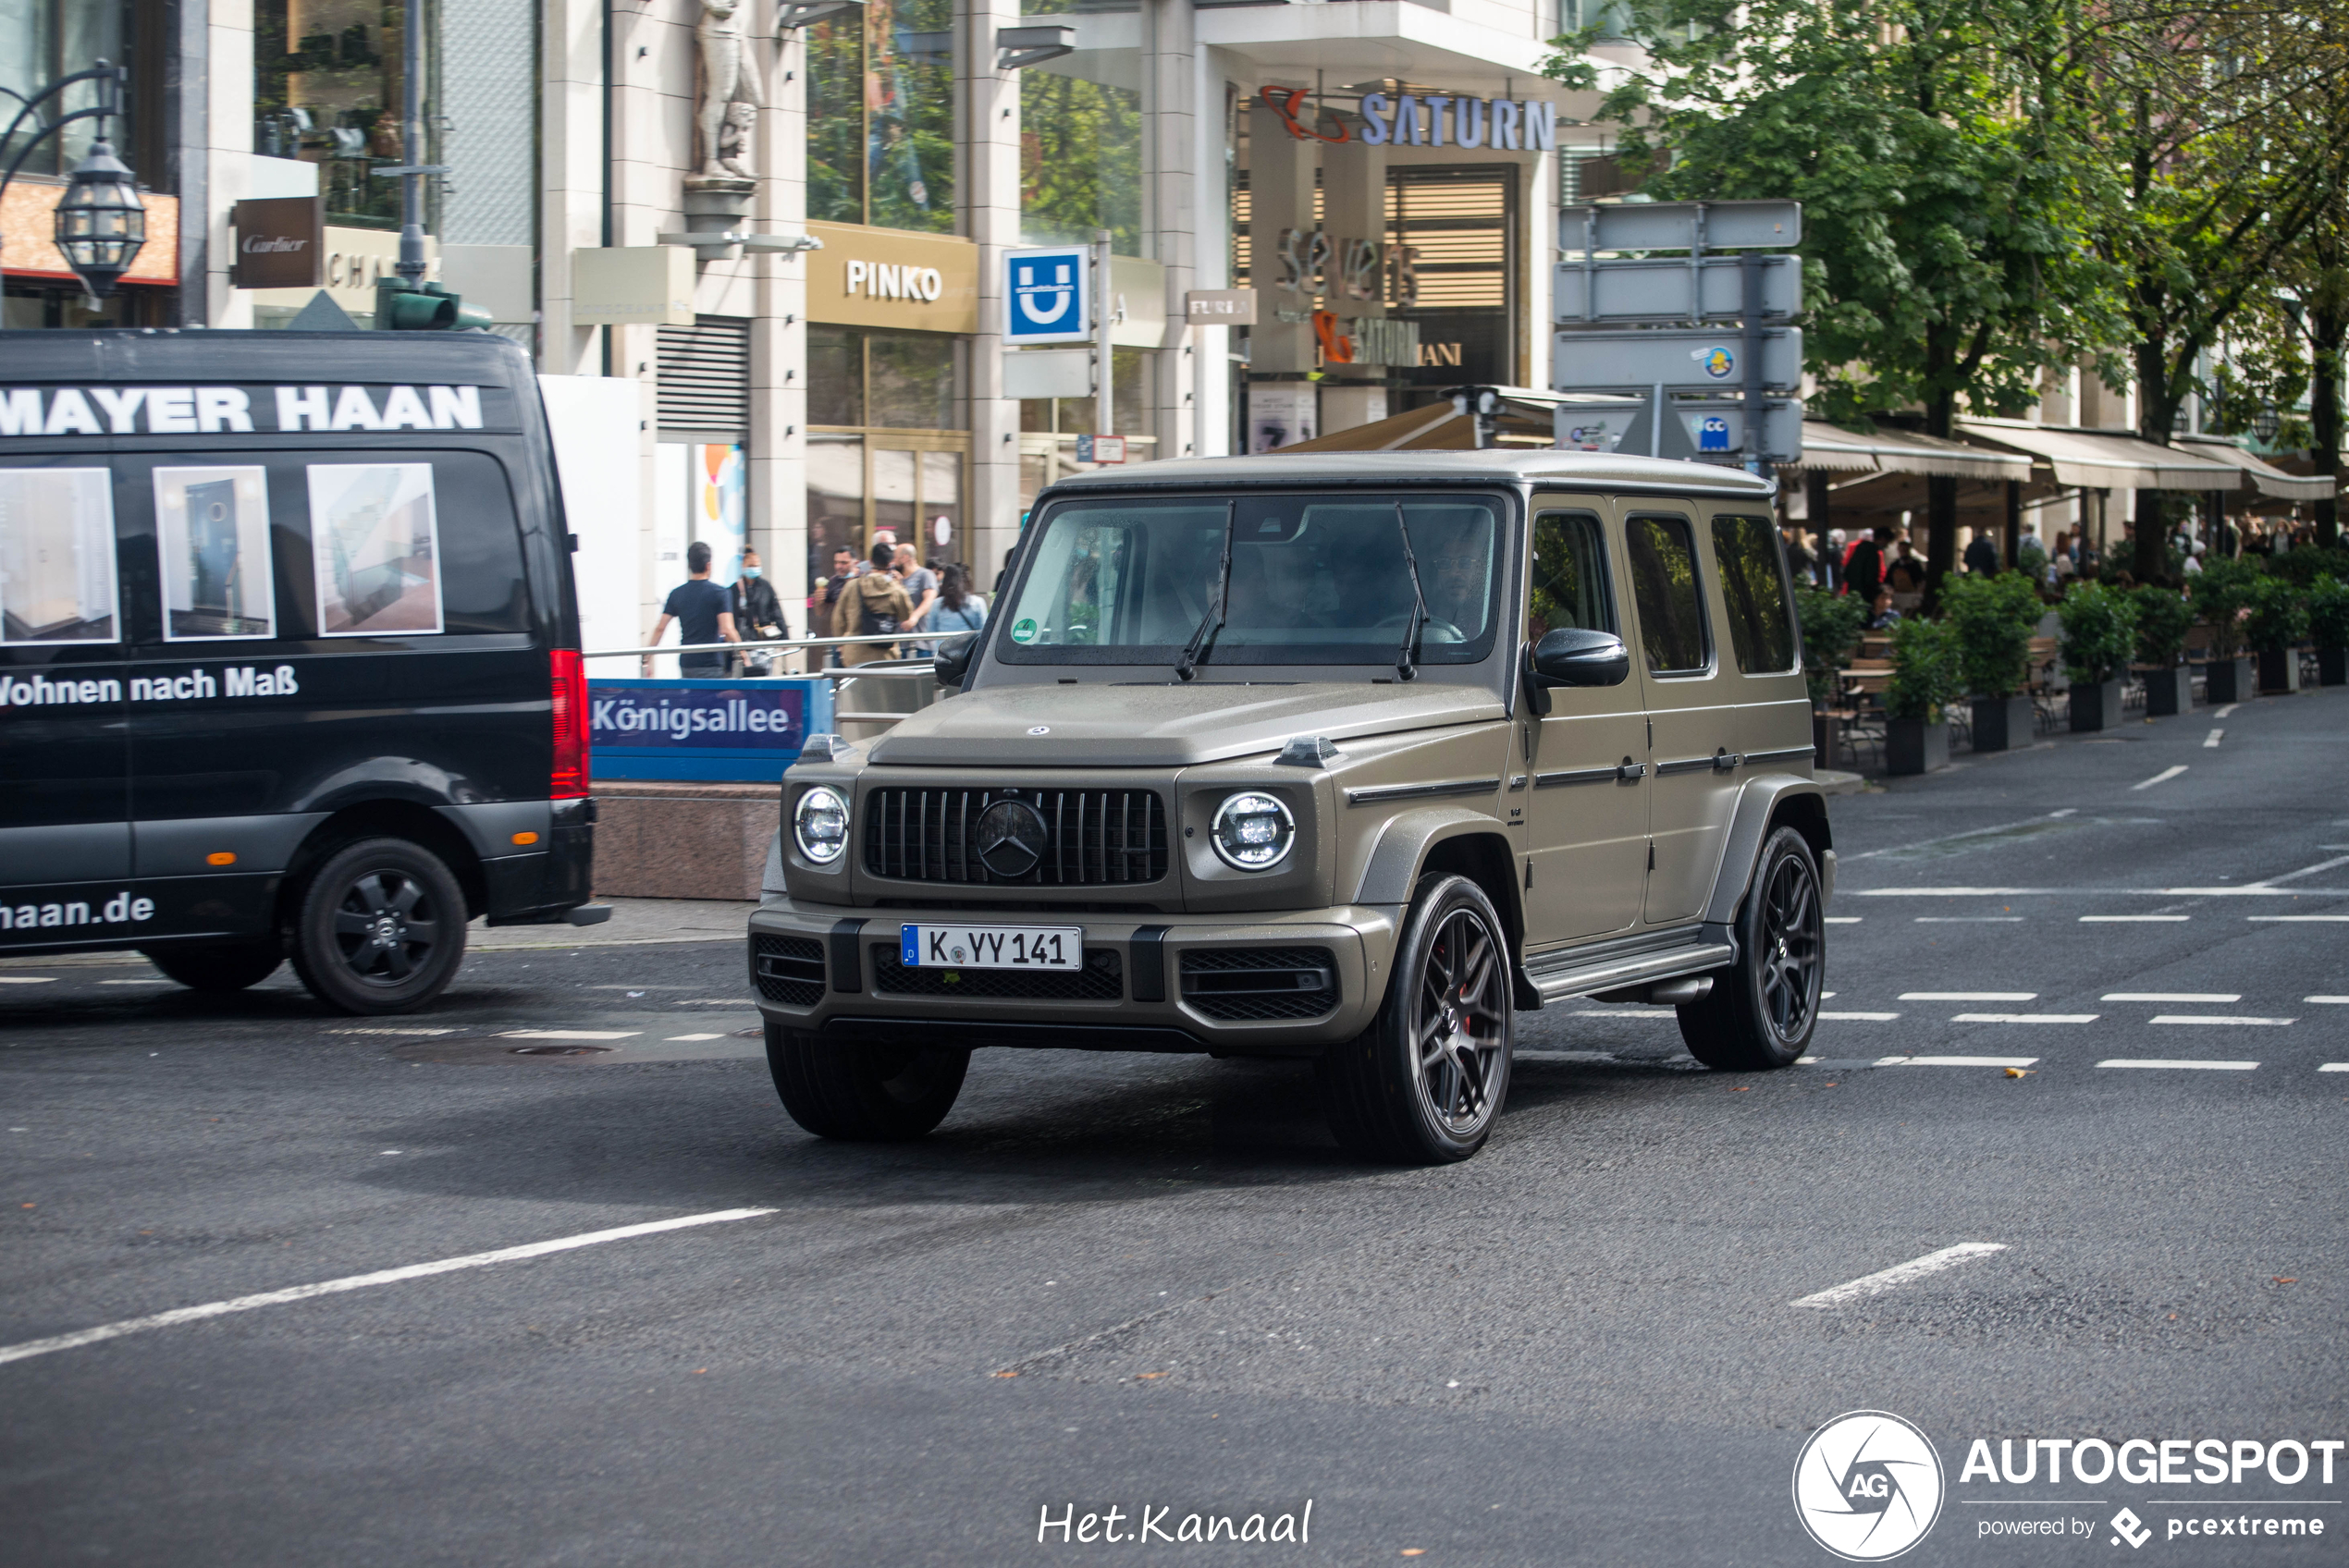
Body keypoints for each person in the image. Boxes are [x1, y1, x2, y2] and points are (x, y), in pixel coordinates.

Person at [644, 540, 737, 677]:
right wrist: (743, 655)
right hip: (711, 662)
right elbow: (727, 629)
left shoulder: (677, 593)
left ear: (689, 565)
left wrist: (646, 659)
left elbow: (660, 628)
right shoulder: (720, 593)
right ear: (708, 565)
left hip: (687, 662)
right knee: (711, 698)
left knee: (690, 697)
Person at [838, 541, 912, 667]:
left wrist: (842, 643)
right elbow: (906, 616)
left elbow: (838, 618)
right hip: (886, 655)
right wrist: (901, 585)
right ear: (891, 563)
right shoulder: (896, 589)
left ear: (870, 561)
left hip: (855, 654)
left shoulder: (852, 585)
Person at [730, 548, 789, 676]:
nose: (754, 568)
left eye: (756, 565)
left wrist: (784, 636)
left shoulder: (765, 587)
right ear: (743, 566)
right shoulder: (734, 590)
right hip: (743, 643)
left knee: (764, 679)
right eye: (750, 566)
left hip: (764, 643)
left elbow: (776, 611)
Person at [921, 563, 988, 655]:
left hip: (943, 653)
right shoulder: (977, 602)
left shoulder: (937, 604)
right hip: (968, 652)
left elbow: (930, 632)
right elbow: (984, 630)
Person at [894, 544, 940, 636]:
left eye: (895, 558)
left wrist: (915, 616)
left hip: (919, 640)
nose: (893, 562)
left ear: (905, 558)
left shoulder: (925, 575)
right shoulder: (897, 578)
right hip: (899, 639)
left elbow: (929, 600)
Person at [1843, 526, 1890, 602]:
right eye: (1887, 542)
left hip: (1854, 591)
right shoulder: (1872, 553)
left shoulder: (1861, 549)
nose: (1886, 545)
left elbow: (1847, 572)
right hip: (1865, 594)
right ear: (1882, 538)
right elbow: (1870, 577)